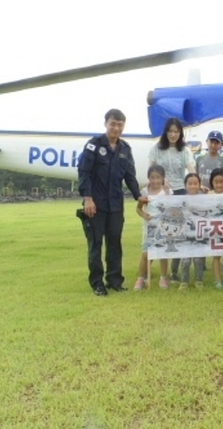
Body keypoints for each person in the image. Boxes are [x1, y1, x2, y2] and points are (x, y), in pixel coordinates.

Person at [77, 108, 146, 296]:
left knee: (115, 243)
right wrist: (88, 199)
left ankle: (115, 281)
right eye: (113, 123)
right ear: (106, 123)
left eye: (120, 124)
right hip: (95, 204)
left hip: (115, 204)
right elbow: (84, 172)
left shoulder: (125, 149)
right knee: (95, 243)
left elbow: (130, 176)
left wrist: (138, 195)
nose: (116, 128)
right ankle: (97, 284)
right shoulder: (93, 145)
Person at [148, 117, 196, 282]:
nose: (173, 134)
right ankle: (146, 271)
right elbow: (150, 171)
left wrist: (196, 185)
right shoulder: (156, 149)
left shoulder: (185, 150)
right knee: (157, 230)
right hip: (160, 194)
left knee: (178, 232)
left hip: (179, 193)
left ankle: (174, 272)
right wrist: (159, 185)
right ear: (165, 132)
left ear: (180, 133)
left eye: (176, 131)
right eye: (170, 131)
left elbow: (191, 171)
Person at [134, 165, 170, 291]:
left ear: (163, 178)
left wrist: (167, 192)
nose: (155, 181)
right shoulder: (145, 192)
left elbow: (172, 207)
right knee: (146, 254)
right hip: (149, 228)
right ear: (148, 178)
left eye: (158, 178)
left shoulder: (167, 191)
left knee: (162, 254)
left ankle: (163, 278)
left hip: (163, 227)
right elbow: (138, 208)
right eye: (152, 178)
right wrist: (144, 215)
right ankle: (140, 278)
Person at [179, 173, 213, 289]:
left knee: (198, 259)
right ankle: (184, 281)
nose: (193, 186)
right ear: (185, 185)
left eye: (195, 184)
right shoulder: (180, 200)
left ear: (199, 185)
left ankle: (199, 280)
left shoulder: (203, 200)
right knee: (186, 259)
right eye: (190, 184)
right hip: (186, 235)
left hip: (199, 234)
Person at [207, 168, 223, 285]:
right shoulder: (208, 195)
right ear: (211, 182)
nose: (218, 184)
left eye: (221, 181)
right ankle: (217, 281)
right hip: (214, 229)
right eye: (216, 182)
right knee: (216, 256)